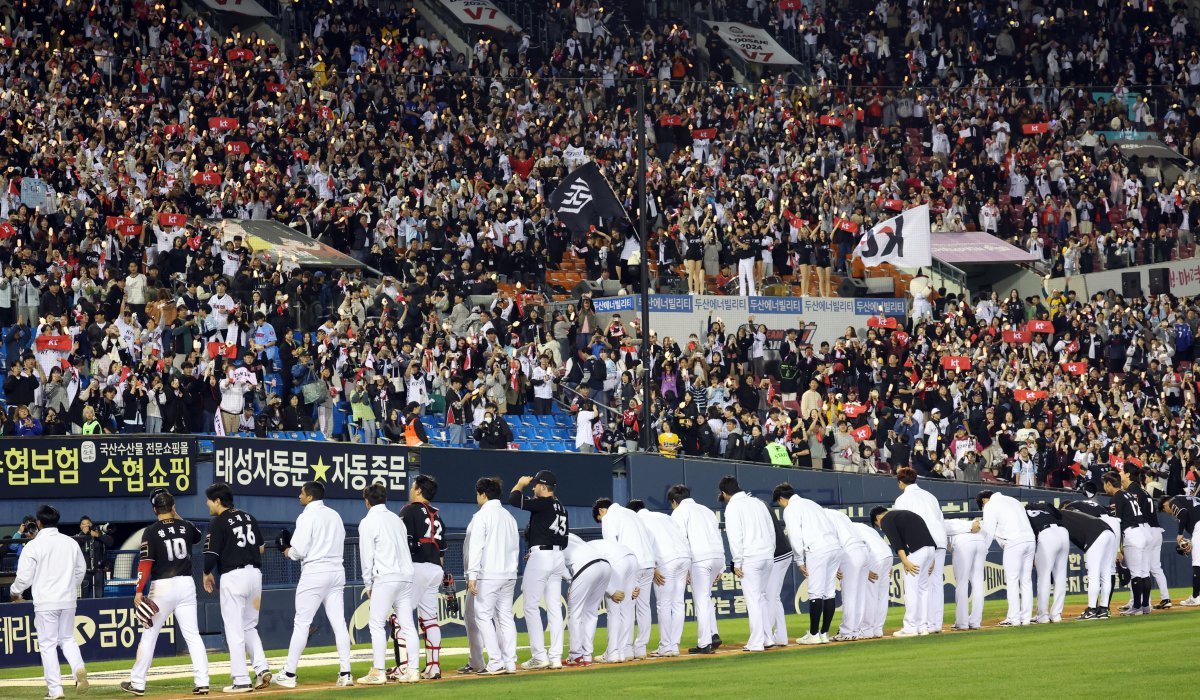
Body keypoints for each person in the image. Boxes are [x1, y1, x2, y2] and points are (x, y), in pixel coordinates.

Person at [121, 489, 209, 696]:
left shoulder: (151, 531)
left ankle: (138, 683)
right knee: (193, 635)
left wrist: (138, 590)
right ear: (173, 506)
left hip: (162, 587)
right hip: (186, 584)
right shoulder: (186, 526)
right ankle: (202, 681)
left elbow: (145, 563)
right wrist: (176, 515)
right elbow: (197, 536)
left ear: (154, 509)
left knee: (150, 634)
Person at [274, 481, 353, 688]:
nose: (299, 495)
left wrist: (285, 550)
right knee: (339, 623)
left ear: (310, 497)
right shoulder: (334, 515)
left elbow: (298, 551)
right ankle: (346, 673)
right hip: (337, 570)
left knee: (302, 623)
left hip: (315, 571)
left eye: (302, 493)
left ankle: (289, 674)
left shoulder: (307, 516)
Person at [10, 505, 88, 700]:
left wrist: (14, 592)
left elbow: (24, 577)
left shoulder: (34, 545)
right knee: (68, 639)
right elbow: (81, 569)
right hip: (68, 599)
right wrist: (70, 587)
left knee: (47, 645)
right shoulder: (70, 542)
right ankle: (78, 668)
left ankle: (56, 690)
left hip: (46, 602)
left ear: (39, 523)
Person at [201, 483, 271, 693]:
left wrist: (206, 572)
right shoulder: (248, 516)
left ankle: (241, 679)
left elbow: (210, 555)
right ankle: (261, 668)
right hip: (254, 575)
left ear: (218, 501)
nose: (207, 504)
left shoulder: (218, 521)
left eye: (209, 500)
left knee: (234, 628)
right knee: (249, 625)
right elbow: (261, 547)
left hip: (234, 576)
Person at [357, 483, 421, 685]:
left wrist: (368, 583)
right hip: (405, 576)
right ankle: (413, 670)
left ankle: (378, 671)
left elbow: (367, 556)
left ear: (367, 502)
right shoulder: (396, 519)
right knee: (408, 625)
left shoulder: (368, 521)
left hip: (385, 577)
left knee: (376, 624)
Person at [508, 471, 568, 670]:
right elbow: (564, 540)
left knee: (530, 606)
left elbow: (514, 499)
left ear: (543, 487)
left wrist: (520, 483)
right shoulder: (562, 508)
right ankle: (556, 656)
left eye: (535, 485)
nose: (533, 488)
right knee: (554, 608)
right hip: (557, 557)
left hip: (542, 557)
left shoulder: (544, 502)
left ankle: (540, 656)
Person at [773, 483, 841, 644]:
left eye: (779, 503)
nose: (781, 506)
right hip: (835, 547)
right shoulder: (812, 503)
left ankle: (813, 634)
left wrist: (799, 559)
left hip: (817, 549)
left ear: (782, 498)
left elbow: (795, 536)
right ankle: (824, 633)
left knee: (815, 593)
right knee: (829, 592)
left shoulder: (791, 509)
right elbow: (831, 526)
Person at [465, 477, 519, 675]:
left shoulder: (481, 516)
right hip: (509, 574)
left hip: (489, 574)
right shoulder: (509, 517)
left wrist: (472, 575)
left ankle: (496, 662)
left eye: (478, 493)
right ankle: (510, 662)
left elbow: (476, 547)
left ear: (483, 494)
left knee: (483, 616)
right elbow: (515, 548)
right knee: (505, 617)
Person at [592, 497, 656, 659]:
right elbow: (650, 537)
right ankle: (638, 649)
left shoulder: (608, 517)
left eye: (599, 520)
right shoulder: (631, 513)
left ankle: (619, 651)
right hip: (648, 562)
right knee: (642, 607)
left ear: (601, 511)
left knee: (620, 608)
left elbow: (610, 548)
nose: (601, 522)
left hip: (628, 563)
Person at [626, 500, 691, 657]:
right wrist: (688, 566)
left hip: (665, 561)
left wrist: (653, 566)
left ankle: (666, 646)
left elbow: (646, 543)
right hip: (684, 557)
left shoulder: (638, 521)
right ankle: (673, 645)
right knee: (678, 603)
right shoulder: (664, 516)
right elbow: (683, 537)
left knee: (664, 604)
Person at [718, 476, 775, 653]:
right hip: (767, 555)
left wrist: (737, 561)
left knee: (754, 600)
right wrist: (770, 551)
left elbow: (735, 537)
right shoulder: (758, 502)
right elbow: (771, 529)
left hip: (751, 558)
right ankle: (767, 638)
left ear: (724, 493)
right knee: (762, 598)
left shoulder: (733, 506)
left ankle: (757, 642)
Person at [399, 475, 448, 679]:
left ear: (418, 490)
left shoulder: (409, 510)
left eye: (413, 487)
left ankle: (405, 667)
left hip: (416, 567)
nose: (411, 490)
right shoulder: (438, 516)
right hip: (435, 568)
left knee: (400, 618)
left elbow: (405, 544)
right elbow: (442, 553)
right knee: (430, 620)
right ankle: (433, 667)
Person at [666, 484, 725, 654]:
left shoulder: (679, 512)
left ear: (674, 501)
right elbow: (718, 535)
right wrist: (722, 566)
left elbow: (681, 540)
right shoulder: (706, 510)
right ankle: (713, 634)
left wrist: (686, 568)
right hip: (717, 556)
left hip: (699, 559)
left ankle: (704, 643)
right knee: (706, 597)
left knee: (700, 599)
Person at [892, 468, 947, 633]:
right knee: (935, 584)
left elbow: (902, 526)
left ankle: (914, 625)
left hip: (920, 543)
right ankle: (934, 625)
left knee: (915, 586)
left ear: (901, 483)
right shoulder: (931, 496)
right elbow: (940, 520)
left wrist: (905, 554)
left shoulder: (902, 499)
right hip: (939, 541)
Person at [870, 506, 936, 637]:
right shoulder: (906, 513)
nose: (880, 527)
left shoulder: (886, 519)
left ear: (877, 518)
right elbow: (926, 534)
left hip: (916, 552)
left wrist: (905, 561)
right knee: (923, 589)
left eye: (877, 525)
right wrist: (932, 559)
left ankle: (910, 627)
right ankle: (922, 627)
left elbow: (896, 542)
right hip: (930, 550)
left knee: (911, 590)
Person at [973, 490, 1036, 626]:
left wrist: (983, 551)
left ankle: (1013, 618)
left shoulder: (990, 505)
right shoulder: (1013, 500)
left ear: (984, 500)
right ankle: (1025, 618)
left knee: (1012, 580)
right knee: (1026, 581)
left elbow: (988, 531)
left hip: (1014, 542)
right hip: (1030, 541)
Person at [1104, 467, 1158, 616]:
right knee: (1144, 571)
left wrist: (1116, 549)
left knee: (1136, 573)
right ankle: (1146, 606)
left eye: (1105, 483)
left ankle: (1137, 607)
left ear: (1109, 484)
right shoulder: (1128, 494)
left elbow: (1116, 524)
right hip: (1145, 532)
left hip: (1132, 533)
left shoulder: (1116, 498)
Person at [562, 533, 614, 667]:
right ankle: (587, 655)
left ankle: (575, 655)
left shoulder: (547, 538)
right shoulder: (570, 534)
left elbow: (558, 565)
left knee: (575, 613)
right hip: (604, 564)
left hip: (585, 566)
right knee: (590, 613)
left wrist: (570, 581)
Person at [1057, 507, 1119, 620]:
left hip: (1096, 534)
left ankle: (1091, 610)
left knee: (1093, 575)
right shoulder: (1071, 514)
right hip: (1109, 531)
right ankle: (1104, 609)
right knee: (1106, 573)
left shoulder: (1057, 516)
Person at [824, 507, 870, 642]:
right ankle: (855, 630)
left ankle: (847, 631)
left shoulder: (822, 516)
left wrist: (835, 563)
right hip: (864, 550)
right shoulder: (838, 514)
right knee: (860, 595)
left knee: (849, 595)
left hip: (850, 553)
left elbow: (832, 540)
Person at [1025, 502, 1070, 624]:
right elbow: (1060, 515)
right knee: (1060, 576)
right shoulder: (1046, 509)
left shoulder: (1025, 513)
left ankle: (1043, 615)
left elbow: (1029, 533)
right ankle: (1056, 614)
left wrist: (1033, 553)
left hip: (1046, 535)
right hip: (1063, 532)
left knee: (1043, 577)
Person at [943, 517, 987, 630]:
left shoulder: (943, 523)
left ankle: (962, 623)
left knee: (962, 583)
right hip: (981, 541)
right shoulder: (964, 522)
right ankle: (976, 622)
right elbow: (979, 526)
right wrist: (971, 526)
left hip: (963, 543)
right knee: (978, 582)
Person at [851, 520, 893, 639]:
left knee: (870, 595)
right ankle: (878, 629)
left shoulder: (847, 528)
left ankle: (866, 629)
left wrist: (865, 568)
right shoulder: (863, 526)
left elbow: (858, 548)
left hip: (873, 558)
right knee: (882, 596)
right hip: (887, 555)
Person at [1159, 495, 1200, 605]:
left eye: (1165, 511)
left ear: (1165, 505)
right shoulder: (1185, 498)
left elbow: (1183, 513)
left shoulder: (1173, 501)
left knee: (1197, 564)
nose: (1169, 513)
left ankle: (1196, 597)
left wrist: (1180, 534)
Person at [764, 506, 793, 648]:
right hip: (784, 552)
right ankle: (781, 636)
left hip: (776, 555)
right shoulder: (760, 504)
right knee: (774, 596)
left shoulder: (754, 506)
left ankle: (767, 637)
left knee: (769, 596)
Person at [76, 516, 114, 599]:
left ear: (91, 525)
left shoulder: (98, 535)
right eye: (83, 524)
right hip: (85, 572)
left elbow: (110, 542)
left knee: (99, 596)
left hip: (98, 571)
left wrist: (97, 535)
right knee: (85, 596)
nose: (86, 526)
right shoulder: (78, 537)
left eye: (88, 524)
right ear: (80, 526)